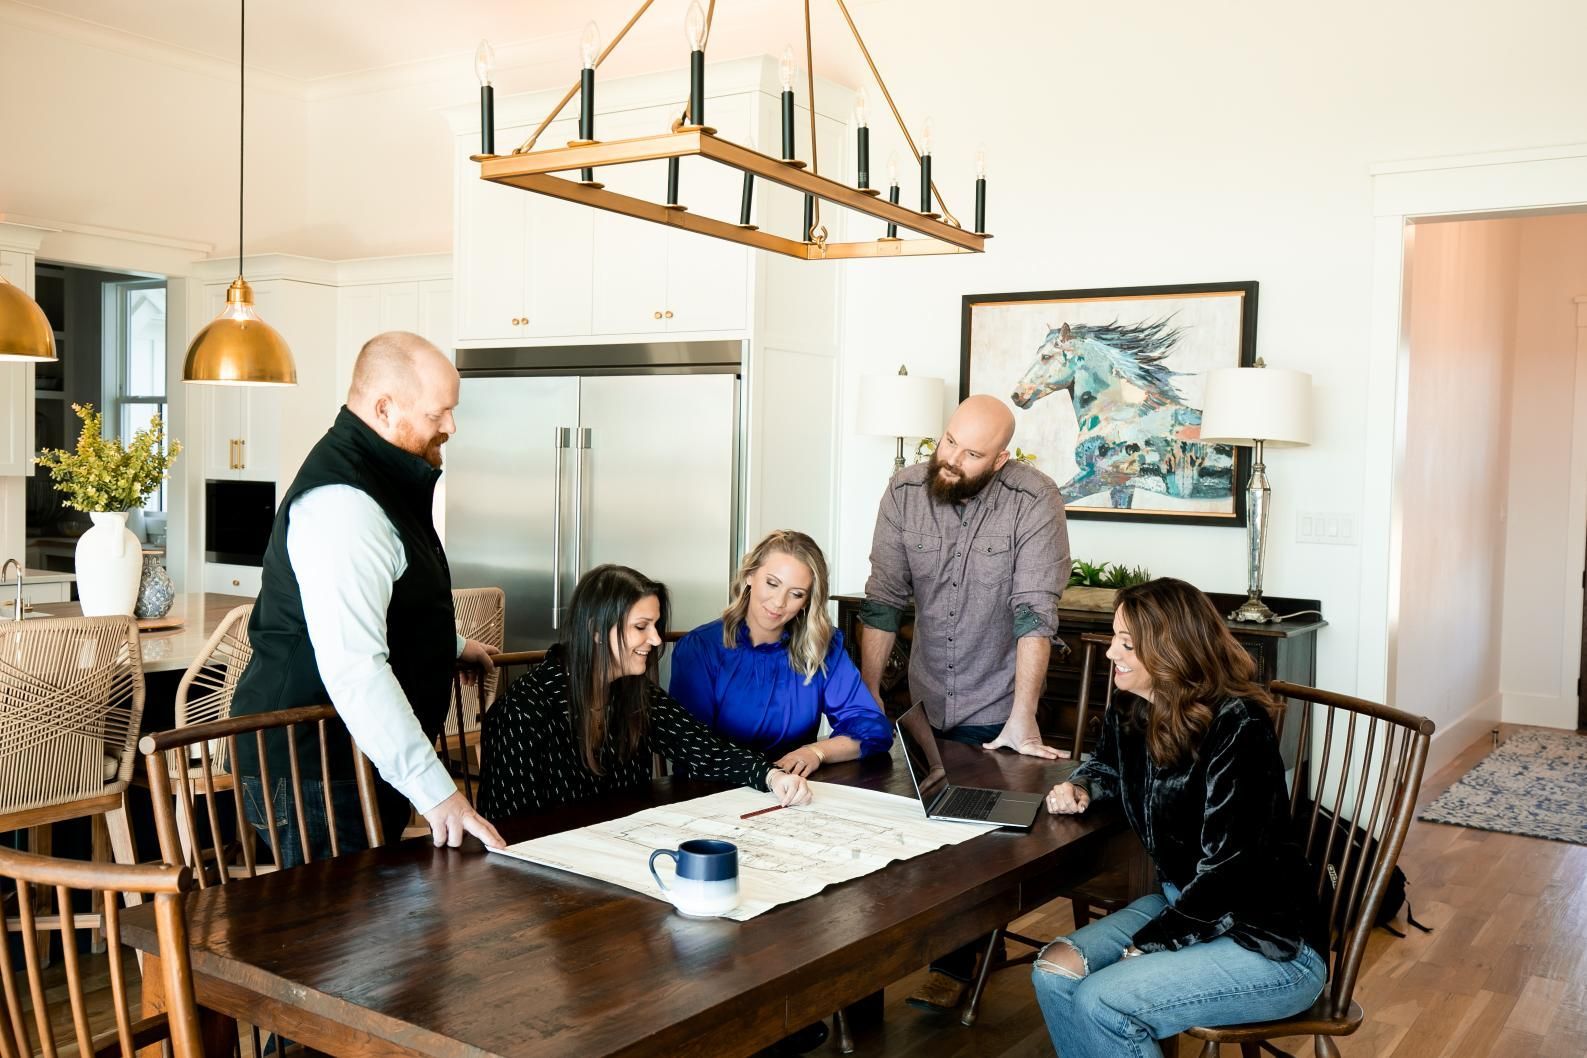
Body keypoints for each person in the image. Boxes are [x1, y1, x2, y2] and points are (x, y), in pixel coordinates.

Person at [231, 331, 504, 866]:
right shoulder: (342, 503)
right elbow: (355, 667)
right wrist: (438, 793)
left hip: (347, 759)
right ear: (384, 408)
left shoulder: (381, 476)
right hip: (314, 766)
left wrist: (449, 645)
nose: (451, 427)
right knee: (340, 920)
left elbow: (386, 602)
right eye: (438, 414)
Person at [1031, 579, 1327, 1058]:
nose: (1111, 653)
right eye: (1115, 639)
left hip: (1268, 940)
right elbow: (1107, 765)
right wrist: (1082, 786)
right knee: (1053, 971)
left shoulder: (1238, 724)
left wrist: (1154, 943)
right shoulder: (1133, 707)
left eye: (1127, 644)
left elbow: (1230, 870)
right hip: (1181, 905)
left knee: (1102, 1001)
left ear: (1171, 651)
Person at [858, 393, 1071, 1009]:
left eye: (972, 453)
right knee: (900, 831)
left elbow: (1035, 613)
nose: (951, 459)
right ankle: (877, 974)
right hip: (924, 699)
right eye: (949, 441)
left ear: (1001, 458)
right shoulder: (904, 492)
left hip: (995, 702)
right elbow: (883, 601)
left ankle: (955, 967)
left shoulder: (1035, 499)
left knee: (972, 847)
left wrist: (1022, 718)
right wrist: (866, 702)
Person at [476, 564, 813, 822]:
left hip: (618, 844)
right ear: (596, 631)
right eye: (641, 627)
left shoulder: (635, 693)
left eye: (655, 625)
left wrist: (770, 776)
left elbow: (704, 749)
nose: (655, 639)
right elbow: (512, 827)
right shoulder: (524, 710)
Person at [669, 530, 892, 776]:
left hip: (795, 788)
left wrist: (815, 752)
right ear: (750, 575)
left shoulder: (823, 646)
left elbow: (873, 729)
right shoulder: (700, 649)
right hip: (716, 788)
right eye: (772, 583)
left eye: (796, 594)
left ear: (807, 601)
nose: (778, 602)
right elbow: (691, 751)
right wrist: (766, 776)